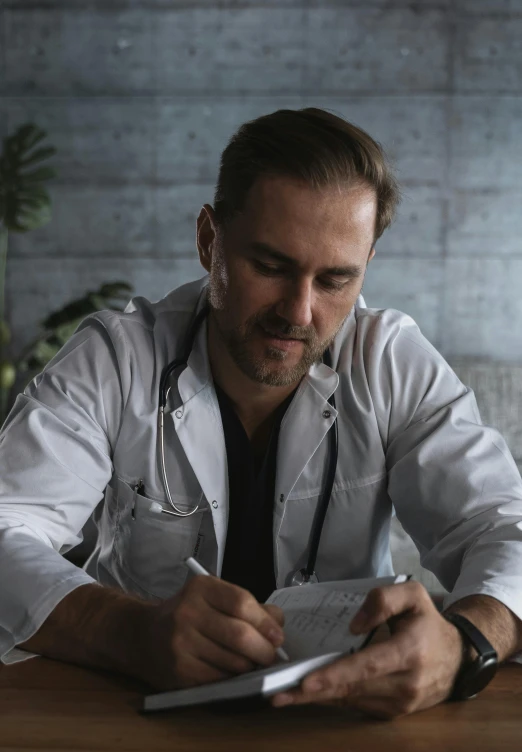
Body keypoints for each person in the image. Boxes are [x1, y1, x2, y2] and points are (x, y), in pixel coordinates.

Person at [1, 108, 521, 719]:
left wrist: (466, 645)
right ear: (208, 239)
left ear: (367, 265)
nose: (299, 313)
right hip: (127, 706)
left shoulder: (390, 359)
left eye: (334, 280)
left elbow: (502, 526)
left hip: (349, 714)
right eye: (271, 267)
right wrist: (130, 632)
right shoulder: (117, 357)